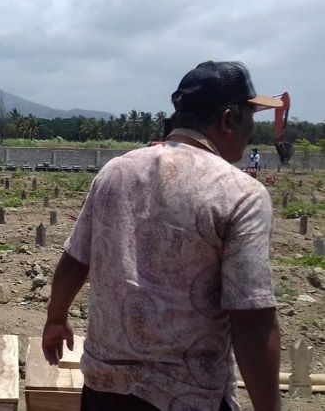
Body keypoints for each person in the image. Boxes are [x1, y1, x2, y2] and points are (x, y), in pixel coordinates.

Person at [42, 61, 281, 411]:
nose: (251, 133)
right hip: (186, 397)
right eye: (251, 118)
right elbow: (252, 319)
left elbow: (77, 258)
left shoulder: (116, 172)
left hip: (105, 390)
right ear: (229, 120)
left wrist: (56, 319)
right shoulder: (239, 194)